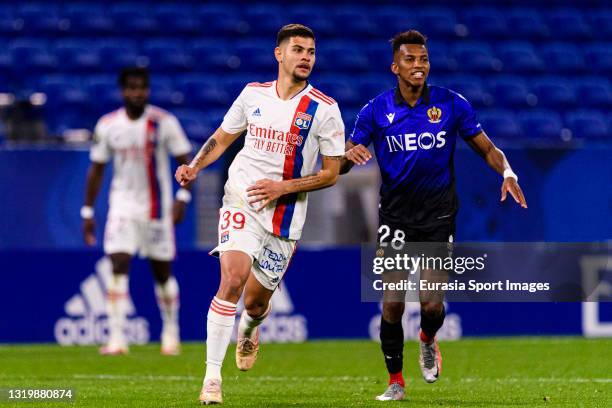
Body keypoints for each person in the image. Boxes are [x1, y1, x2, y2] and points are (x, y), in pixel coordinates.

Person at [340, 30, 527, 401]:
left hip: (438, 215)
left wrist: (507, 173)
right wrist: (349, 156)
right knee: (392, 303)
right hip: (394, 217)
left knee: (430, 303)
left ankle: (427, 338)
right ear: (395, 66)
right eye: (410, 60)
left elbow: (487, 148)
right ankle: (396, 381)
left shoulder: (451, 104)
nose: (418, 66)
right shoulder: (375, 110)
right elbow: (346, 156)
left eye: (423, 59)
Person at [175, 24, 345, 405]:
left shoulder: (326, 109)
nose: (306, 57)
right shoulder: (252, 94)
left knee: (254, 302)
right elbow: (222, 137)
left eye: (311, 52)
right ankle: (212, 380)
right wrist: (195, 166)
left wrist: (283, 187)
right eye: (298, 50)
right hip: (242, 200)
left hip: (285, 218)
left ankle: (250, 328)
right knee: (232, 280)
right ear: (279, 54)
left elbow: (331, 174)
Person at [81, 67, 192, 356]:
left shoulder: (164, 123)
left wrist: (182, 197)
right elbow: (96, 169)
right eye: (131, 87)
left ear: (148, 90)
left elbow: (188, 164)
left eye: (141, 87)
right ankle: (117, 337)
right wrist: (88, 211)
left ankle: (170, 331)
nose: (136, 93)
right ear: (122, 91)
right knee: (117, 264)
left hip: (156, 209)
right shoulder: (107, 125)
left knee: (162, 272)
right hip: (122, 207)